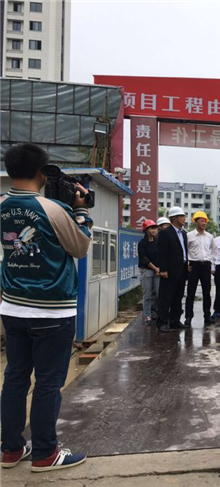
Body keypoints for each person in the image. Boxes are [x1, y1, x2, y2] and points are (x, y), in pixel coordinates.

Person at [1, 143, 91, 471]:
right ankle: (44, 453)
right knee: (48, 383)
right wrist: (81, 213)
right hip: (53, 309)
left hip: (13, 307)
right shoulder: (53, 209)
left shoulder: (1, 204)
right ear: (42, 173)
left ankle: (10, 449)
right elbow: (80, 247)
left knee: (15, 378)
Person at [156, 206, 189, 333]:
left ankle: (174, 321)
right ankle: (162, 322)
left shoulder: (183, 233)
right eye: (182, 216)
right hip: (169, 270)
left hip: (182, 269)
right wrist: (163, 269)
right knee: (165, 297)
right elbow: (162, 253)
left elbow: (184, 251)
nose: (184, 219)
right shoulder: (165, 233)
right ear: (174, 218)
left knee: (178, 296)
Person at [185, 211, 216, 327]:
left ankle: (207, 316)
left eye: (205, 221)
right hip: (193, 265)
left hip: (206, 265)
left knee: (207, 292)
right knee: (191, 292)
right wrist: (186, 263)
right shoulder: (189, 236)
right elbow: (184, 250)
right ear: (195, 222)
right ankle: (188, 317)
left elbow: (214, 250)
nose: (204, 223)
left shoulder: (209, 236)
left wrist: (210, 260)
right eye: (201, 221)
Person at [138, 219, 160, 325]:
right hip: (147, 270)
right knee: (147, 295)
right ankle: (147, 315)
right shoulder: (142, 243)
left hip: (158, 271)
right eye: (151, 228)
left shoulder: (158, 242)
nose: (153, 230)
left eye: (154, 228)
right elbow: (143, 259)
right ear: (146, 230)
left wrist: (159, 268)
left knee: (158, 293)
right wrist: (155, 268)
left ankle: (159, 314)